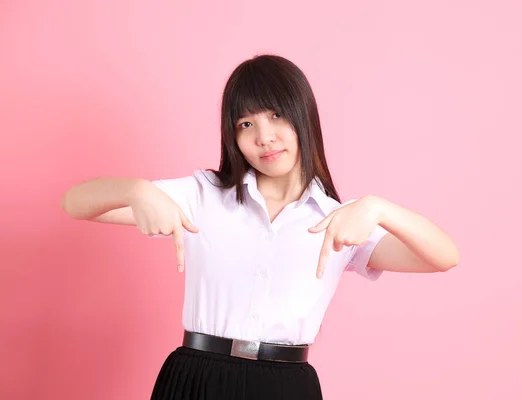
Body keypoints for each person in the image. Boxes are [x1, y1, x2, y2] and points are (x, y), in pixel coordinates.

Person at [61, 54, 460, 400]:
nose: (264, 137)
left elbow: (444, 257)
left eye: (275, 115)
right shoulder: (203, 196)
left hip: (286, 387)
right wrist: (136, 190)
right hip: (197, 379)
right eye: (245, 124)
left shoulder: (341, 221)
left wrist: (379, 208)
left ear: (303, 115)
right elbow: (74, 204)